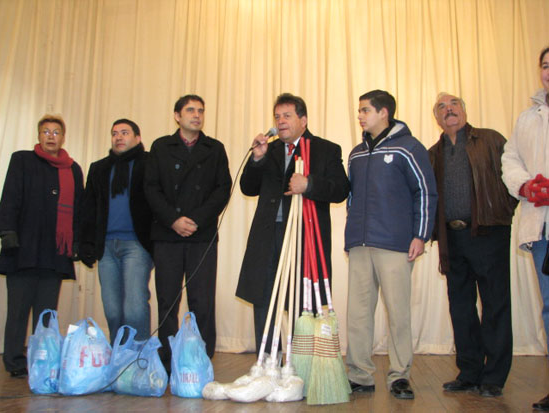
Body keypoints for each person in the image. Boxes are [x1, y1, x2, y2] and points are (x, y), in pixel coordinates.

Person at [236, 92, 349, 355]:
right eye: (277, 116)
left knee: (302, 299)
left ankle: (301, 362)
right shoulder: (270, 149)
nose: (281, 121)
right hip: (267, 236)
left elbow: (341, 189)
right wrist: (257, 159)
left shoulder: (325, 149)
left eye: (287, 115)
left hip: (303, 235)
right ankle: (267, 361)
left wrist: (309, 184)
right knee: (264, 296)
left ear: (303, 120)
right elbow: (248, 187)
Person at [345, 90, 437, 400]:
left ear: (384, 113)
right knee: (357, 313)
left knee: (398, 313)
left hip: (395, 244)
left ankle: (400, 376)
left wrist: (420, 235)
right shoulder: (356, 153)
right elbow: (353, 197)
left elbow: (425, 192)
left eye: (365, 110)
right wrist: (352, 233)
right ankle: (359, 374)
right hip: (359, 245)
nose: (360, 115)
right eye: (359, 110)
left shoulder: (409, 148)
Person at [429, 93, 517, 397]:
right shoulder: (433, 153)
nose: (449, 109)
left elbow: (513, 178)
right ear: (436, 118)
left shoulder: (491, 140)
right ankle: (469, 372)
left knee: (495, 304)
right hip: (451, 239)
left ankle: (494, 376)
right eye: (442, 107)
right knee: (461, 307)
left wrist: (501, 212)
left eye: (454, 104)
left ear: (464, 111)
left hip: (488, 234)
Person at [144, 95, 231, 365]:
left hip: (201, 235)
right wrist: (173, 220)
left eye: (201, 111)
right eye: (190, 110)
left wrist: (196, 220)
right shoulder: (160, 146)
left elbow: (222, 189)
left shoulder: (214, 148)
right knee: (167, 300)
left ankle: (202, 360)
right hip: (167, 235)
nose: (197, 115)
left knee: (202, 302)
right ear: (177, 116)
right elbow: (151, 188)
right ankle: (166, 361)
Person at [0, 114, 84, 377]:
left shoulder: (73, 169)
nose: (50, 136)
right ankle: (14, 362)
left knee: (47, 314)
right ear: (38, 135)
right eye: (46, 131)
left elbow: (79, 211)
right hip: (22, 249)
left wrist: (78, 243)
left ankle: (42, 360)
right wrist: (7, 232)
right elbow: (9, 197)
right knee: (18, 311)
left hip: (54, 253)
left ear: (63, 137)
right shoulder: (22, 160)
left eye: (56, 132)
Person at [501, 46, 549, 411]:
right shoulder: (527, 119)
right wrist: (525, 186)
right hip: (541, 226)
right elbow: (511, 157)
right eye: (546, 66)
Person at [80, 119, 153, 343]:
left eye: (124, 132)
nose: (118, 137)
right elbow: (88, 208)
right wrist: (86, 244)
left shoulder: (150, 163)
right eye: (114, 133)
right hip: (107, 247)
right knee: (112, 310)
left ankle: (138, 360)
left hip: (136, 245)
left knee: (134, 308)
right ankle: (119, 358)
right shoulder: (99, 168)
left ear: (138, 138)